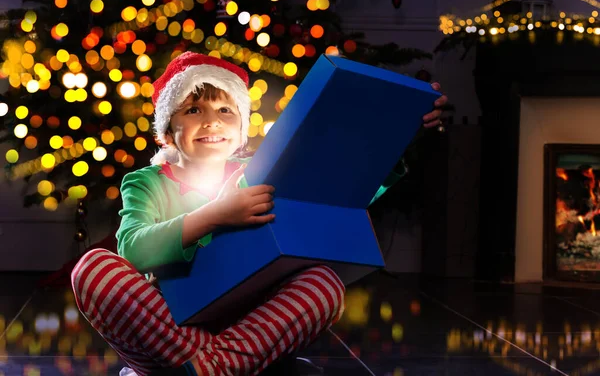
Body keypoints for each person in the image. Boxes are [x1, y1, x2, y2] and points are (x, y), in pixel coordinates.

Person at [71, 52, 447, 376]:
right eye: (192, 109)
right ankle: (211, 364)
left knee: (324, 285)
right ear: (166, 132)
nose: (211, 120)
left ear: (240, 131)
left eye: (225, 110)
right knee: (93, 269)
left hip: (244, 323)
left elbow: (340, 188)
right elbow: (133, 250)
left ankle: (210, 367)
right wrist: (216, 214)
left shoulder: (257, 170)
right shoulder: (146, 181)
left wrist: (398, 142)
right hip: (169, 329)